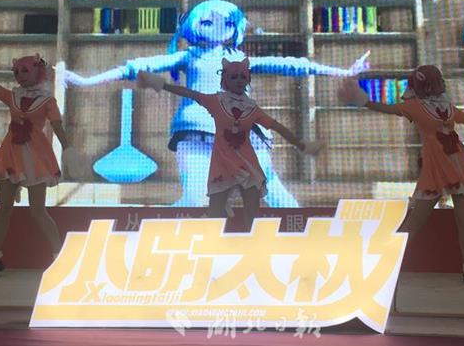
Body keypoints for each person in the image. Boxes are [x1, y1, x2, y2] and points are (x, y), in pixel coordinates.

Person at [63, 0, 369, 208]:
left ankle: (307, 237)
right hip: (197, 134)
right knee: (196, 200)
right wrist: (85, 81)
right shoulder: (188, 56)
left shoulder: (239, 58)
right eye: (209, 21)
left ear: (235, 28)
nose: (218, 27)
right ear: (195, 25)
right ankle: (151, 230)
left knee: (274, 193)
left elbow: (291, 65)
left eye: (226, 23)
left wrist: (343, 71)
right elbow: (139, 67)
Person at [337, 65, 464, 285]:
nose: (443, 83)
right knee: (415, 222)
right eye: (439, 80)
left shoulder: (443, 106)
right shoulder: (418, 106)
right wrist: (362, 100)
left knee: (462, 221)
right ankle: (383, 265)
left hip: (458, 166)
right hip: (439, 168)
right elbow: (388, 109)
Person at [137, 58, 325, 231]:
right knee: (195, 199)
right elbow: (189, 94)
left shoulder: (250, 109)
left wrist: (301, 145)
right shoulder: (215, 101)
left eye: (242, 77)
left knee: (272, 190)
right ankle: (154, 224)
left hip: (247, 156)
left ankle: (301, 230)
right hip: (215, 155)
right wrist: (160, 84)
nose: (238, 82)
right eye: (233, 77)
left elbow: (276, 126)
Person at [0, 37, 86, 278]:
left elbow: (57, 126)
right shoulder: (12, 96)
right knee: (3, 208)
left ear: (38, 71)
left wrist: (68, 150)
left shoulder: (47, 100)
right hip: (11, 155)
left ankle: (59, 256)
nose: (19, 76)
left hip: (36, 158)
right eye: (16, 72)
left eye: (25, 71)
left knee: (38, 211)